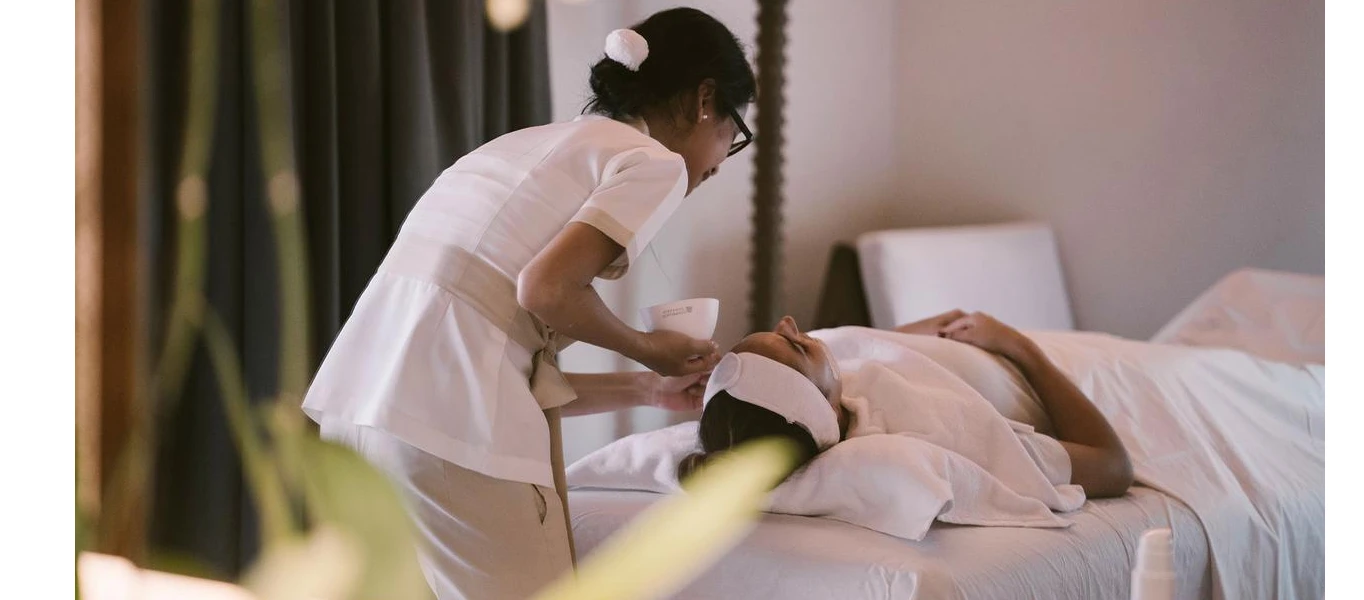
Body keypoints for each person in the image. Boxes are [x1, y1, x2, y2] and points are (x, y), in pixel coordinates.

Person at [301, 8, 755, 599]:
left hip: (358, 419)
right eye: (733, 134)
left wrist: (647, 389)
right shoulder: (654, 162)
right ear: (704, 100)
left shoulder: (519, 147)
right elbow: (544, 289)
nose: (719, 162)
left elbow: (495, 359)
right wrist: (649, 349)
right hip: (449, 431)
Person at [681, 311, 1135, 499]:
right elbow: (1113, 467)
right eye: (796, 344)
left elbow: (859, 354)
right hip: (1077, 365)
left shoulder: (824, 385)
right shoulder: (941, 427)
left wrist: (914, 335)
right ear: (827, 408)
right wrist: (1021, 347)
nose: (789, 322)